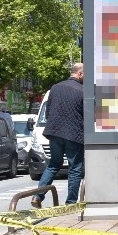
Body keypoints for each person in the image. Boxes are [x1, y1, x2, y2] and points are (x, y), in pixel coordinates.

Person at [32, 63, 85, 208]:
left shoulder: (55, 88)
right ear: (79, 74)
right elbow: (86, 114)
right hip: (74, 135)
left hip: (54, 133)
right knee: (75, 168)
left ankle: (37, 196)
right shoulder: (82, 90)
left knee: (53, 165)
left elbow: (48, 112)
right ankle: (70, 203)